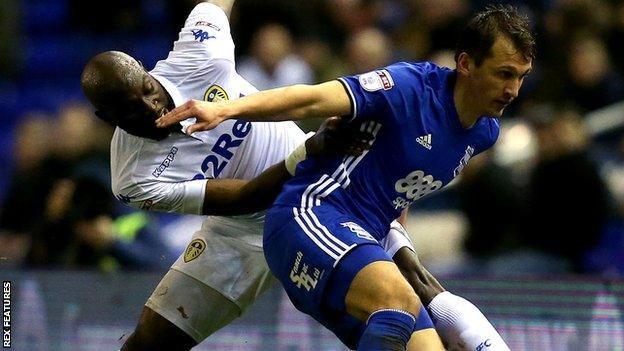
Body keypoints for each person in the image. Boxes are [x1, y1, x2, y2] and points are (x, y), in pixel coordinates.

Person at [82, 1, 511, 350]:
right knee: (148, 346)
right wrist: (308, 149)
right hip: (241, 232)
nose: (154, 108)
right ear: (107, 119)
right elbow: (242, 199)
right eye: (133, 110)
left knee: (417, 295)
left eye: (150, 91)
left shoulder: (196, 52)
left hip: (328, 193)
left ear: (147, 70)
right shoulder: (132, 175)